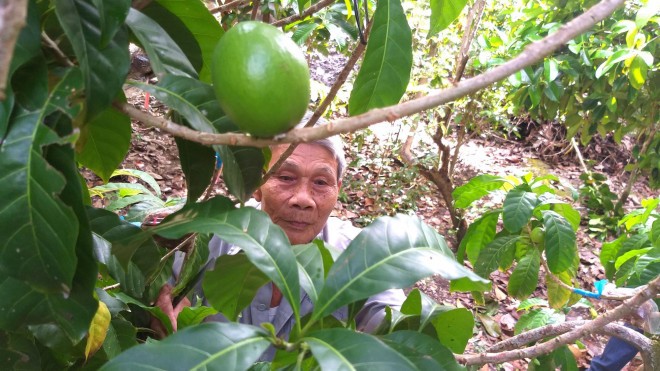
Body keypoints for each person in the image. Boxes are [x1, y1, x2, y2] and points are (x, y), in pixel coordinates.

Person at [153, 117, 406, 360]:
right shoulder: (211, 236)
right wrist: (159, 308)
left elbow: (396, 320)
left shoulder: (358, 254)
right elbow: (159, 292)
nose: (303, 199)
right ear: (257, 185)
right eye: (286, 177)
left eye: (321, 182)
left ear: (337, 189)